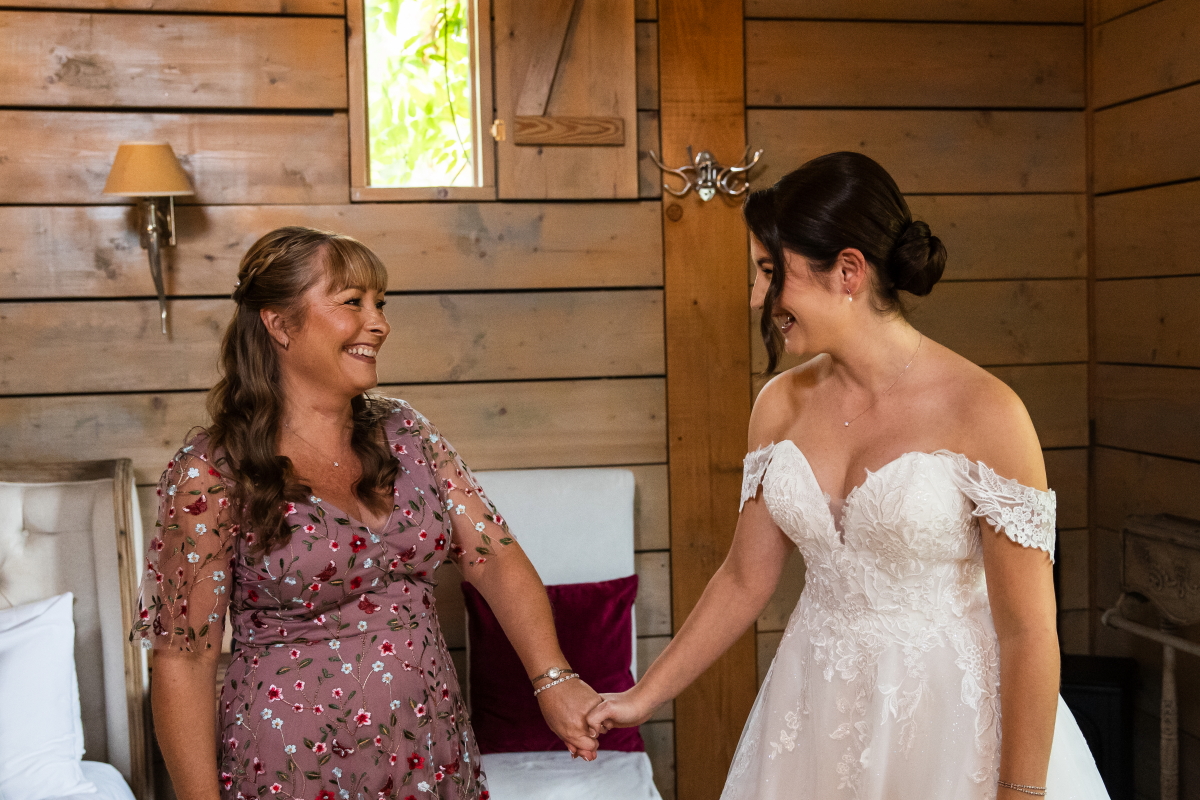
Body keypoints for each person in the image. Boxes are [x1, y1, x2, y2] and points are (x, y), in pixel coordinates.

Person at [587, 152, 1109, 799]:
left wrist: (1020, 792)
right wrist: (642, 697)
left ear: (848, 271)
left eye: (770, 272)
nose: (757, 298)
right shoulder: (778, 404)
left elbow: (1027, 632)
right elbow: (744, 578)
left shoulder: (987, 413)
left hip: (949, 729)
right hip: (814, 710)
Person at [132, 227, 602, 800]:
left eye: (380, 303)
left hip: (432, 755)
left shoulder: (407, 431)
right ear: (279, 324)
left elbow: (493, 557)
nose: (378, 323)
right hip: (291, 771)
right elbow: (184, 658)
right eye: (352, 302)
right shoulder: (211, 471)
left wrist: (554, 679)